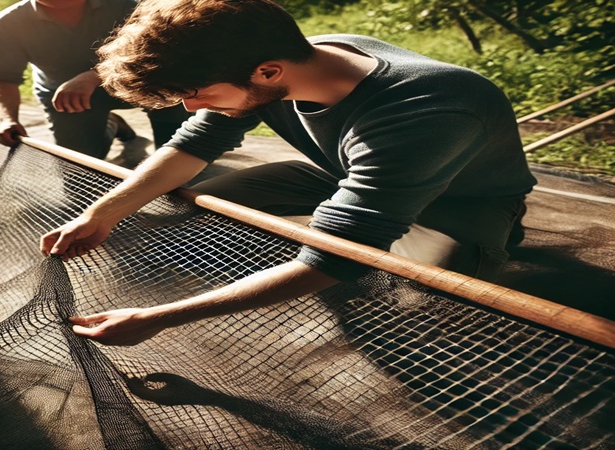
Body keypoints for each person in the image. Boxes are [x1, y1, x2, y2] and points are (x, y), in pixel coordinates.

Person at [40, 0, 537, 346]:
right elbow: (195, 143)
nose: (191, 106)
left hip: (463, 204)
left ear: (269, 73)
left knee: (419, 298)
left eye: (194, 91)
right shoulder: (287, 55)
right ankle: (328, 223)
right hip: (343, 174)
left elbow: (335, 259)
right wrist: (102, 213)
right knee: (201, 203)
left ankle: (489, 243)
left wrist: (158, 318)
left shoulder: (430, 109)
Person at [0, 0, 190, 159]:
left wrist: (95, 75)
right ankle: (111, 126)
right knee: (79, 170)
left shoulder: (130, 4)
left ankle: (175, 151)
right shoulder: (7, 24)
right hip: (68, 98)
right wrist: (8, 119)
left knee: (177, 157)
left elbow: (161, 53)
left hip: (139, 81)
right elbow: (2, 78)